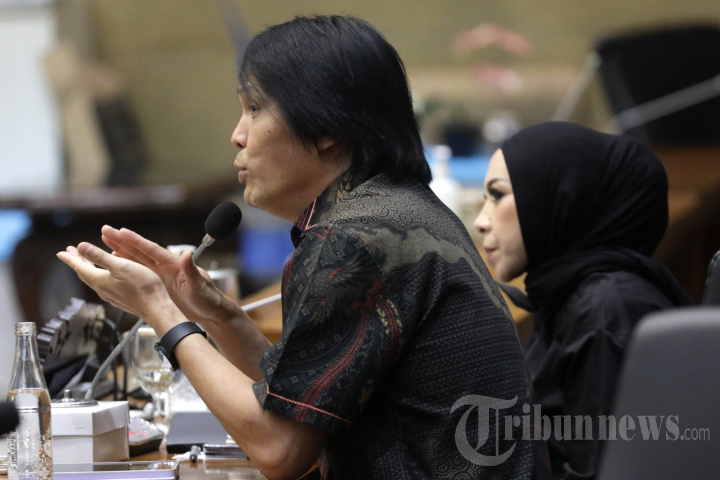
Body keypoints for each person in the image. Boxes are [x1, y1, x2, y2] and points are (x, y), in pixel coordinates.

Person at [57, 15, 549, 480]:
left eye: (254, 108)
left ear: (327, 127)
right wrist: (219, 315)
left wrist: (160, 311)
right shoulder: (400, 209)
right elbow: (299, 404)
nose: (237, 135)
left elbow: (281, 450)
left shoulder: (352, 239)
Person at [474, 121, 695, 480]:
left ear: (562, 198)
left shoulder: (606, 309)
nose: (481, 221)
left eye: (497, 195)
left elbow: (600, 471)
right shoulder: (567, 295)